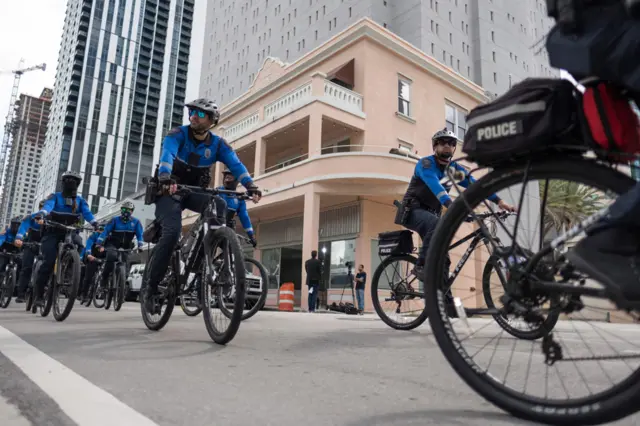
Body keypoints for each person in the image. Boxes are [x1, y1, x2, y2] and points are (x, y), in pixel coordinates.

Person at [144, 98, 262, 311]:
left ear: (212, 120)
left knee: (219, 205)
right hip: (169, 189)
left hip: (195, 191)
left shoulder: (218, 144)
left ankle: (204, 262)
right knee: (171, 234)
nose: (193, 116)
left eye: (200, 114)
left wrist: (250, 185)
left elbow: (236, 165)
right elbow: (167, 155)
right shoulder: (177, 134)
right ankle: (151, 290)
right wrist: (164, 177)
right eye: (192, 112)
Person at [401, 128, 516, 278]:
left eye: (451, 143)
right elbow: (437, 188)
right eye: (442, 142)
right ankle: (421, 266)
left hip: (432, 215)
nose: (447, 145)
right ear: (435, 146)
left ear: (454, 148)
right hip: (412, 211)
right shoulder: (427, 164)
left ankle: (444, 300)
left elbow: (476, 186)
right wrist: (453, 206)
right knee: (436, 224)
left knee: (444, 261)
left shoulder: (453, 170)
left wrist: (499, 201)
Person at [31, 171, 97, 307]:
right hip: (52, 232)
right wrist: (42, 214)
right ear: (63, 183)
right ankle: (38, 295)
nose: (71, 184)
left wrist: (95, 223)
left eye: (74, 181)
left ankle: (71, 267)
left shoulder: (80, 201)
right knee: (48, 261)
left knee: (79, 243)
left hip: (70, 232)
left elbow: (87, 213)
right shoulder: (54, 196)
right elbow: (47, 207)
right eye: (68, 181)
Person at [95, 200, 144, 291]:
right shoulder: (114, 220)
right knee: (111, 257)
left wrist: (140, 245)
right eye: (124, 209)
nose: (126, 211)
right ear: (121, 210)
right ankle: (104, 280)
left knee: (126, 265)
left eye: (128, 210)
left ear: (132, 211)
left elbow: (140, 235)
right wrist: (99, 243)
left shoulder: (136, 222)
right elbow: (105, 232)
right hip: (112, 244)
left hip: (127, 246)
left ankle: (121, 288)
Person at [14, 200, 47, 302]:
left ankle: (42, 292)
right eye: (42, 208)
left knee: (46, 268)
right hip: (31, 244)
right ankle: (21, 294)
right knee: (26, 268)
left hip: (44, 245)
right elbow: (23, 228)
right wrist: (19, 238)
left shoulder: (51, 220)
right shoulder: (31, 217)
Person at [218, 169, 257, 247]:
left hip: (226, 228)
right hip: (211, 225)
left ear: (236, 180)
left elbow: (244, 217)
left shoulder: (239, 199)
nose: (226, 180)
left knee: (232, 249)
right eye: (225, 177)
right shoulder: (218, 192)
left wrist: (251, 235)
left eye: (229, 177)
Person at [79, 221, 106, 305]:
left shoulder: (108, 237)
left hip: (104, 258)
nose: (102, 231)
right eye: (100, 229)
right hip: (93, 258)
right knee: (88, 276)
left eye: (104, 230)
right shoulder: (93, 236)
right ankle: (84, 295)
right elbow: (88, 246)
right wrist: (89, 255)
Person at [0, 217, 23, 284]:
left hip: (17, 254)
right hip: (4, 252)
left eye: (18, 225)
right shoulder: (6, 231)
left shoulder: (22, 234)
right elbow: (1, 239)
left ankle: (16, 284)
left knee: (21, 267)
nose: (16, 226)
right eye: (14, 224)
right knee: (1, 265)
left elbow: (26, 243)